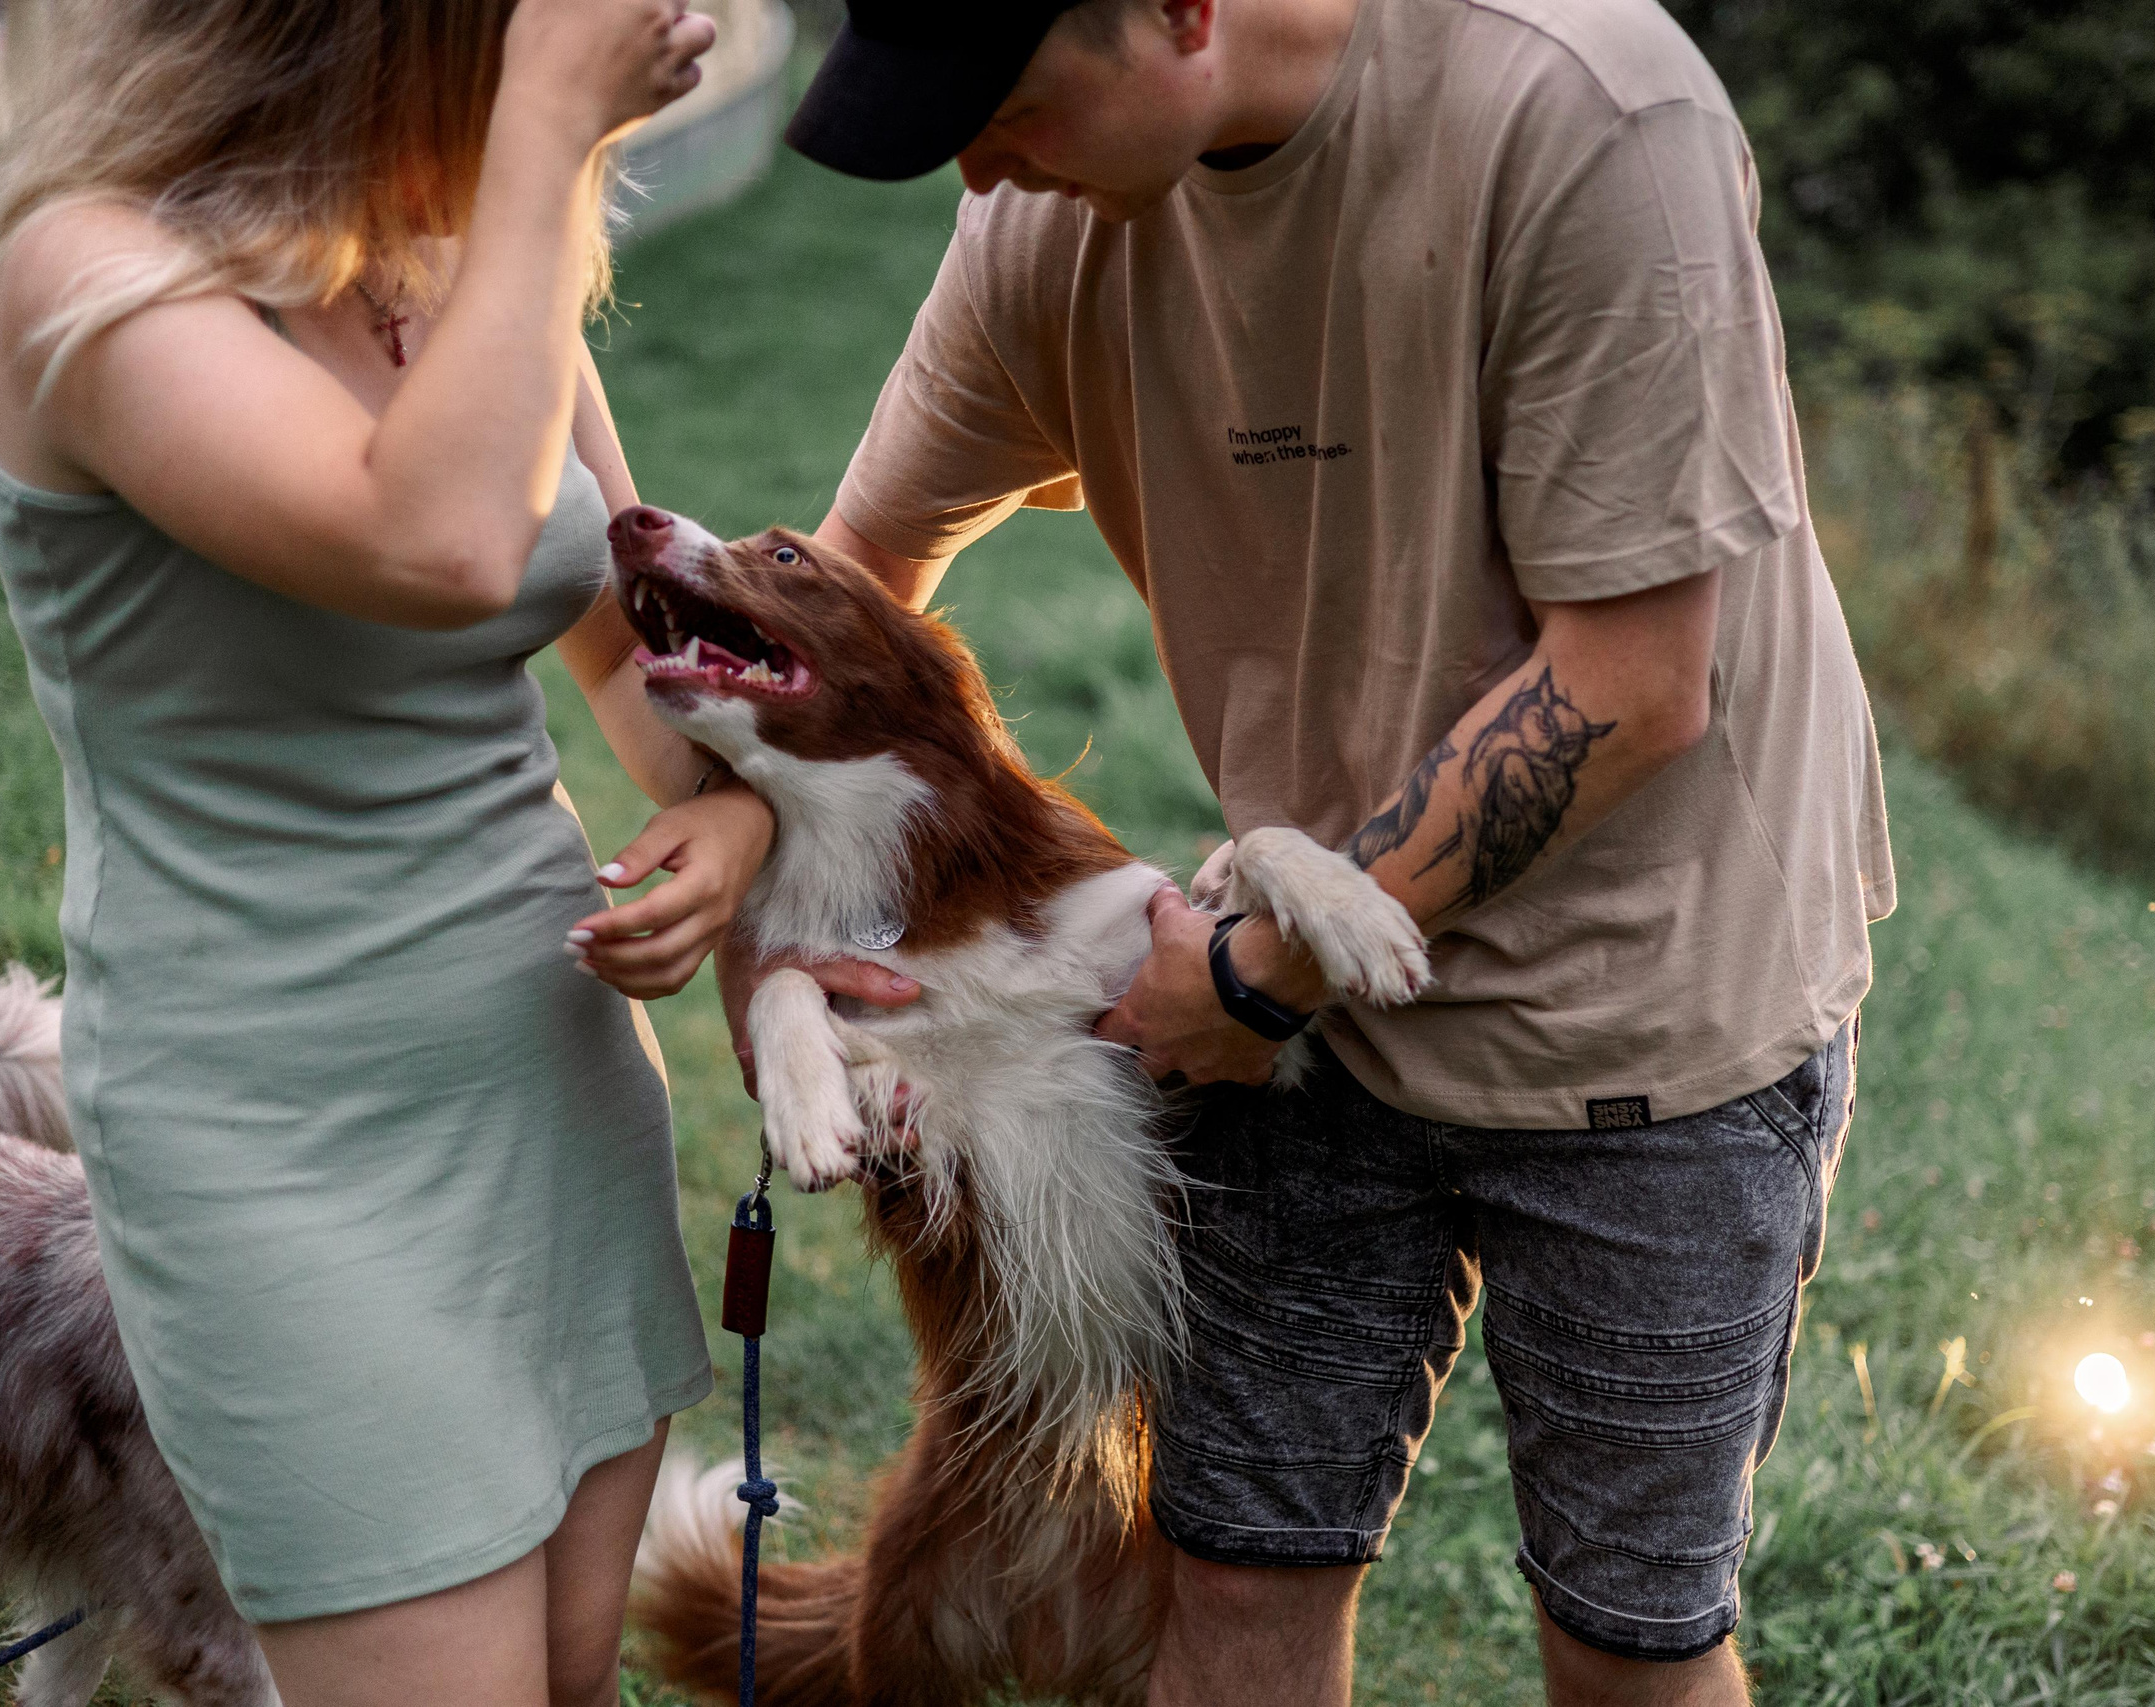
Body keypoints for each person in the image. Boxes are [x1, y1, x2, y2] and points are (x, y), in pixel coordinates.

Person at [756, 0, 1898, 1701]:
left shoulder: (1586, 116)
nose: (977, 167)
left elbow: (1631, 683)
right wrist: (723, 853)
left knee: (1625, 1649)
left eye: (1002, 106)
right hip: (1302, 1030)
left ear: (1184, 14)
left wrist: (1254, 975)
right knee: (1227, 1582)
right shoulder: (1036, 227)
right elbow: (849, 588)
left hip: (1654, 1030)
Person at [0, 3, 765, 1703]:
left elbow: (626, 641)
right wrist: (542, 141)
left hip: (552, 1085)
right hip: (282, 1149)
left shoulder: (453, 245)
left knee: (569, 1678)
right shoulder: (84, 273)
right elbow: (446, 540)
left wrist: (733, 805)